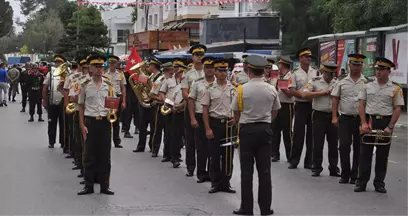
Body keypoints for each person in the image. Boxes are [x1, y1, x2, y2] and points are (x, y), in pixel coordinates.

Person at [231, 55, 279, 216]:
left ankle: (247, 207)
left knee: (247, 171)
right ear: (263, 71)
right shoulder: (271, 89)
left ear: (249, 70)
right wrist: (265, 120)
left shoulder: (241, 89)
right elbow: (275, 110)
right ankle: (265, 208)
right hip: (265, 130)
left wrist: (243, 121)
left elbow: (236, 113)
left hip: (247, 130)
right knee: (265, 171)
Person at [355, 57, 405, 193]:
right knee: (365, 153)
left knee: (382, 155)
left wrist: (390, 127)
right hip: (371, 120)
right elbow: (361, 104)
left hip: (385, 121)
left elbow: (397, 108)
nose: (378, 72)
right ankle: (361, 182)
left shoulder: (395, 88)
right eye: (377, 69)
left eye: (382, 69)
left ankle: (379, 183)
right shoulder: (367, 85)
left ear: (389, 71)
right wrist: (364, 122)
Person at [78, 55, 115, 195]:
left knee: (105, 155)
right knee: (89, 155)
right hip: (91, 122)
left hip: (105, 122)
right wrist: (82, 124)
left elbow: (113, 102)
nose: (100, 69)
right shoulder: (85, 86)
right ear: (91, 69)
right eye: (96, 67)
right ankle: (88, 186)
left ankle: (105, 186)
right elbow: (80, 106)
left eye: (101, 67)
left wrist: (114, 109)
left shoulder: (109, 85)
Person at [201, 58, 236, 194]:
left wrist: (236, 118)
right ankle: (215, 183)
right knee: (214, 156)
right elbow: (205, 110)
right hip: (215, 124)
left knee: (228, 155)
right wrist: (207, 128)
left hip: (229, 124)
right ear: (215, 72)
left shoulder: (233, 88)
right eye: (220, 70)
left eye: (225, 70)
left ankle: (226, 182)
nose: (223, 73)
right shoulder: (209, 89)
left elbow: (238, 107)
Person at [331, 54, 367, 184]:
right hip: (345, 118)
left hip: (360, 119)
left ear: (362, 66)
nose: (356, 67)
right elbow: (335, 98)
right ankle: (345, 174)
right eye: (354, 64)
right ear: (349, 65)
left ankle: (355, 175)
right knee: (344, 146)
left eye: (359, 65)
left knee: (359, 148)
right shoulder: (341, 81)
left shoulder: (367, 82)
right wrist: (334, 117)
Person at [303, 62, 340, 177]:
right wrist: (321, 93)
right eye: (329, 74)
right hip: (319, 115)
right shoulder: (315, 81)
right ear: (324, 71)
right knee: (318, 143)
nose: (330, 76)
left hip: (333, 115)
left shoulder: (337, 82)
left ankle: (333, 168)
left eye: (333, 74)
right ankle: (316, 167)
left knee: (334, 143)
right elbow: (305, 95)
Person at [287, 48, 319, 169]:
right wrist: (303, 95)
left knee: (311, 134)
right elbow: (291, 89)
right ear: (300, 58)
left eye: (310, 57)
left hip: (312, 105)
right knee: (298, 134)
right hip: (300, 105)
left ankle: (309, 161)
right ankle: (294, 160)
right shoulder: (294, 73)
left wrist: (312, 95)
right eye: (306, 56)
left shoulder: (315, 72)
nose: (309, 58)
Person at [188, 56, 216, 183]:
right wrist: (193, 118)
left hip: (214, 117)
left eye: (212, 68)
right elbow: (191, 101)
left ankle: (212, 173)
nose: (210, 70)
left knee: (213, 148)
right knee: (201, 147)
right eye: (207, 68)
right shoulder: (197, 83)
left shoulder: (220, 82)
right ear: (204, 69)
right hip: (200, 116)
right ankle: (201, 173)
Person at [181, 44, 206, 177]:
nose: (199, 57)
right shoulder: (187, 74)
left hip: (205, 110)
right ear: (192, 57)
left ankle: (203, 169)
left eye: (201, 55)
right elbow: (184, 92)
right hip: (191, 108)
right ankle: (190, 167)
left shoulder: (208, 71)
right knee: (190, 140)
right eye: (197, 55)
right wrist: (193, 99)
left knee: (203, 141)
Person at [133, 58, 161, 153]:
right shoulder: (151, 76)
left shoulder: (160, 77)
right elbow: (144, 87)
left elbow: (156, 89)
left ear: (153, 66)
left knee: (154, 127)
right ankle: (141, 145)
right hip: (146, 103)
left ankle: (152, 146)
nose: (148, 67)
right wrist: (139, 85)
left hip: (154, 104)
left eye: (150, 65)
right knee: (142, 125)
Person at [270, 56, 294, 162]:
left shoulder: (291, 76)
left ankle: (290, 155)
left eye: (280, 65)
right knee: (275, 131)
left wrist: (282, 86)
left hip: (286, 106)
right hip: (276, 105)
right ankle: (275, 154)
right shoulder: (277, 76)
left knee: (287, 131)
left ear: (282, 65)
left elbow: (290, 94)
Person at [42, 55, 66, 149]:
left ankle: (63, 142)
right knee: (51, 123)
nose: (58, 64)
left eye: (60, 62)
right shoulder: (50, 74)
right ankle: (51, 142)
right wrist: (44, 101)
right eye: (57, 62)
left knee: (63, 124)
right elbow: (44, 87)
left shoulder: (67, 73)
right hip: (52, 102)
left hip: (63, 103)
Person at [103, 55, 126, 148]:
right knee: (106, 120)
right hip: (107, 98)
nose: (111, 65)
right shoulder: (104, 74)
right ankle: (106, 140)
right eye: (110, 63)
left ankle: (117, 141)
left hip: (117, 98)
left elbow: (123, 88)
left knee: (116, 120)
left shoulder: (120, 74)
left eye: (113, 63)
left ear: (116, 64)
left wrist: (124, 101)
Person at [169, 60, 188, 168]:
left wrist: (183, 105)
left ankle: (191, 163)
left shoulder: (191, 86)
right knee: (176, 136)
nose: (181, 76)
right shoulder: (177, 87)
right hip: (177, 113)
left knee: (189, 139)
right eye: (180, 74)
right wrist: (172, 106)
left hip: (187, 112)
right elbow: (171, 99)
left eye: (182, 74)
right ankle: (175, 158)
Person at [159, 62, 178, 162]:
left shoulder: (184, 80)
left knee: (178, 134)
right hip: (170, 108)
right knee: (168, 132)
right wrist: (168, 103)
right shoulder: (167, 80)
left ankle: (176, 155)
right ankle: (167, 154)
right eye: (175, 68)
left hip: (181, 109)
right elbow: (162, 93)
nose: (176, 70)